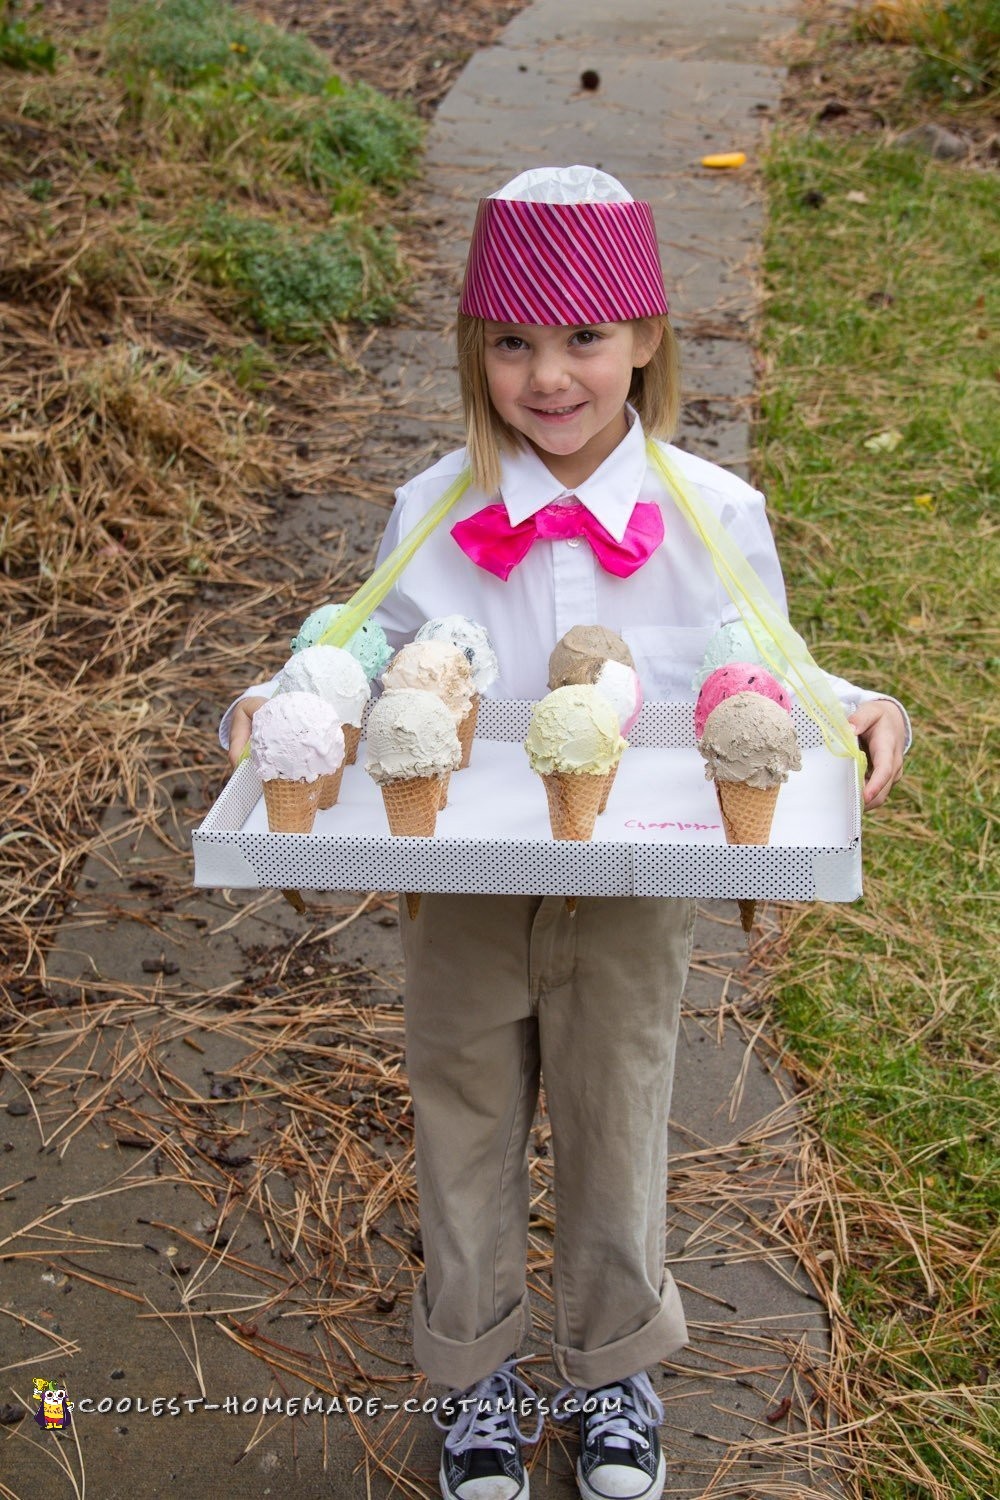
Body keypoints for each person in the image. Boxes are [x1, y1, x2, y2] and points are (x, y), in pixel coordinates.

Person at [225, 166, 908, 1500]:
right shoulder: (433, 505)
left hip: (639, 872)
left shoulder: (713, 515)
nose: (549, 377)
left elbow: (759, 665)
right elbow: (357, 648)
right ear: (474, 349)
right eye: (514, 342)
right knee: (464, 1103)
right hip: (464, 877)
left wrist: (861, 706)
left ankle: (613, 1366)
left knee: (618, 1106)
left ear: (645, 340)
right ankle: (473, 1369)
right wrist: (279, 700)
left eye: (586, 339)